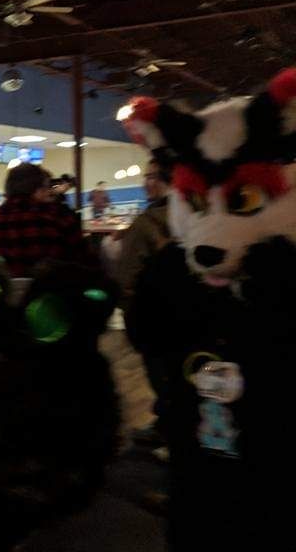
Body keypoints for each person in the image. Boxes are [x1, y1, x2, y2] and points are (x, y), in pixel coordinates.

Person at [118, 159, 172, 447]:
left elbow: (126, 277)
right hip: (195, 318)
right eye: (146, 176)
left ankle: (166, 428)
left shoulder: (146, 223)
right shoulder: (202, 215)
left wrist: (130, 314)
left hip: (155, 318)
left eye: (153, 176)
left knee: (162, 377)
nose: (146, 183)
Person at [0, 164, 90, 276]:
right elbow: (86, 267)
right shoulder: (60, 223)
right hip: (49, 296)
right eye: (46, 189)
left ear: (8, 190)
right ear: (39, 190)